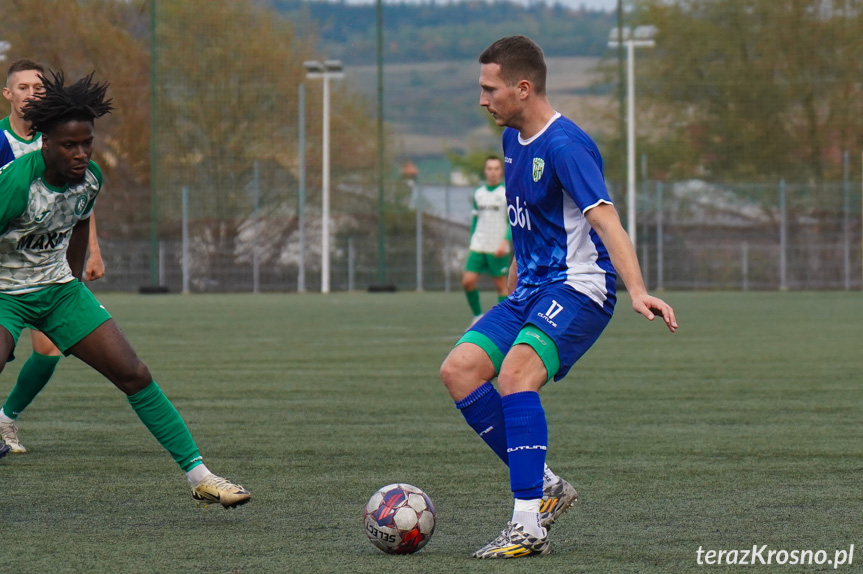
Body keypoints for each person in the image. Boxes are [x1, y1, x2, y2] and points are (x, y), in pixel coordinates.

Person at [440, 36, 678, 559]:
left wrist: (637, 289)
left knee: (516, 375)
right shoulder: (510, 141)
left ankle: (528, 525)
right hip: (530, 289)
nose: (483, 100)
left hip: (580, 288)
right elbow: (527, 221)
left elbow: (607, 220)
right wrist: (511, 277)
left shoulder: (566, 146)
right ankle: (545, 485)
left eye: (490, 89)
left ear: (523, 89)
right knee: (459, 369)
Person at [0, 69, 250, 508]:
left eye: (87, 143)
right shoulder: (18, 184)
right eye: (69, 145)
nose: (80, 153)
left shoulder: (90, 178)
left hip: (58, 290)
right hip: (4, 293)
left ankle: (201, 477)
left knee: (134, 373)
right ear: (44, 142)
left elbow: (77, 229)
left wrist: (72, 293)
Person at [0, 59, 105, 454]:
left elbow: (77, 205)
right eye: (23, 87)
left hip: (48, 271)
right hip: (5, 273)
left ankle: (6, 419)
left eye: (37, 87)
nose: (31, 93)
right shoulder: (2, 143)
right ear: (8, 94)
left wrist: (93, 250)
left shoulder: (63, 139)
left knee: (49, 349)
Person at [462, 155, 511, 325]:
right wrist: (472, 241)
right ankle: (477, 316)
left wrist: (505, 241)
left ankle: (503, 323)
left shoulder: (506, 192)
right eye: (490, 169)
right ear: (485, 171)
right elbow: (475, 219)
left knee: (501, 286)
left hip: (497, 246)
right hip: (479, 244)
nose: (493, 172)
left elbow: (513, 221)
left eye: (496, 169)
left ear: (501, 171)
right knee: (467, 281)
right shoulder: (479, 193)